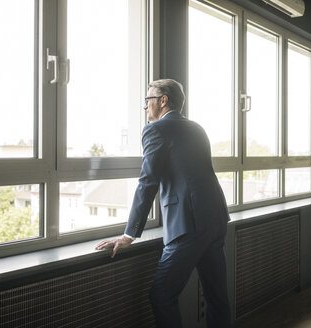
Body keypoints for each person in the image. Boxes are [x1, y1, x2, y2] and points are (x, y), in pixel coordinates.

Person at [95, 79, 232, 328]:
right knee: (217, 297)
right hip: (216, 218)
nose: (146, 106)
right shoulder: (197, 128)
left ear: (163, 101)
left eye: (148, 100)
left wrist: (128, 235)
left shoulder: (155, 130)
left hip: (188, 224)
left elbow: (148, 182)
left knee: (161, 295)